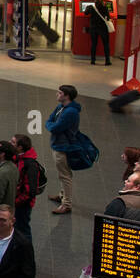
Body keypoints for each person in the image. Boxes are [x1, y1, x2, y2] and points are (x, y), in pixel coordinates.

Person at [45, 84, 82, 215]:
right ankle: (62, 195)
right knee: (63, 173)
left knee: (65, 175)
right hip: (58, 144)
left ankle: (66, 204)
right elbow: (50, 120)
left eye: (60, 93)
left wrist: (50, 125)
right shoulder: (62, 107)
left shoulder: (70, 112)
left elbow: (54, 127)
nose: (57, 94)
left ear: (67, 96)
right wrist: (51, 125)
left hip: (63, 146)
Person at [11, 134, 40, 238]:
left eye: (13, 142)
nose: (10, 144)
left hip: (23, 204)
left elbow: (30, 191)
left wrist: (15, 202)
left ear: (20, 147)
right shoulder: (17, 158)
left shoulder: (30, 165)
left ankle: (26, 252)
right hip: (18, 200)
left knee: (22, 229)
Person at [86, 0, 113, 66]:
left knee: (94, 44)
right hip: (103, 29)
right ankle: (107, 61)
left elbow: (86, 13)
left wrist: (87, 7)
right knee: (106, 45)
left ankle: (93, 60)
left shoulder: (91, 7)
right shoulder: (105, 7)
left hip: (93, 29)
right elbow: (108, 17)